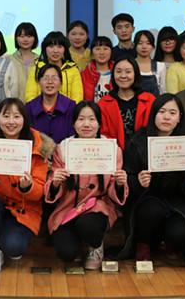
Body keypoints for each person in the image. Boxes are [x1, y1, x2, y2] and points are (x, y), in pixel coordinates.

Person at [0, 98, 55, 274]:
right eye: (6, 116)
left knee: (14, 248)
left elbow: (39, 192)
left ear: (24, 120)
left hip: (23, 210)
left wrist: (27, 187)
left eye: (17, 116)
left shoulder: (39, 147)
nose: (11, 121)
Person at [118, 93, 185, 265]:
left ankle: (170, 240)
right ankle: (143, 244)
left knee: (182, 235)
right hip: (147, 201)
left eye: (172, 113)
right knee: (152, 210)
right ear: (154, 114)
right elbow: (126, 180)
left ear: (179, 117)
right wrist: (138, 182)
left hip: (177, 201)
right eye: (162, 112)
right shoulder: (137, 141)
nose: (166, 117)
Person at [45, 101, 128, 269]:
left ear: (99, 123)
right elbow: (54, 186)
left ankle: (96, 245)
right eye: (81, 119)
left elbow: (114, 186)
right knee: (67, 253)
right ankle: (78, 241)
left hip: (97, 206)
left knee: (88, 225)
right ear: (74, 123)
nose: (86, 124)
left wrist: (120, 183)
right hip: (69, 207)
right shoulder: (63, 148)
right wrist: (55, 182)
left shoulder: (111, 149)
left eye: (92, 119)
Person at [98, 56, 155, 149]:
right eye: (118, 71)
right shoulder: (104, 103)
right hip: (114, 153)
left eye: (128, 72)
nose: (123, 76)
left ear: (135, 74)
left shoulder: (149, 100)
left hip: (145, 153)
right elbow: (103, 134)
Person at [25, 31, 83, 103]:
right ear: (45, 49)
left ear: (65, 49)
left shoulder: (73, 70)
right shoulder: (37, 69)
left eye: (59, 47)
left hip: (68, 109)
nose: (55, 51)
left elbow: (78, 96)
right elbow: (30, 95)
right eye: (51, 46)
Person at [25, 64, 76, 145]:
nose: (50, 82)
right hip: (36, 152)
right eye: (45, 78)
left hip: (63, 151)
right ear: (39, 82)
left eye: (54, 78)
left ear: (61, 83)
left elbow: (73, 136)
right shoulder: (29, 107)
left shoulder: (71, 106)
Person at [7, 22, 40, 102]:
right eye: (21, 36)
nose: (25, 40)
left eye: (29, 36)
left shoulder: (41, 61)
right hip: (16, 104)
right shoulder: (9, 60)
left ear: (35, 38)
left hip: (36, 105)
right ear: (16, 38)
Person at [81, 36, 114, 103]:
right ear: (92, 52)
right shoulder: (83, 75)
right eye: (97, 49)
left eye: (105, 49)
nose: (101, 52)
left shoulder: (118, 73)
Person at [134, 30, 166, 97]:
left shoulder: (160, 66)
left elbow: (163, 91)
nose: (144, 47)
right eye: (140, 43)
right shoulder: (129, 65)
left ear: (153, 46)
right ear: (135, 45)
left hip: (155, 103)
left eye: (148, 43)